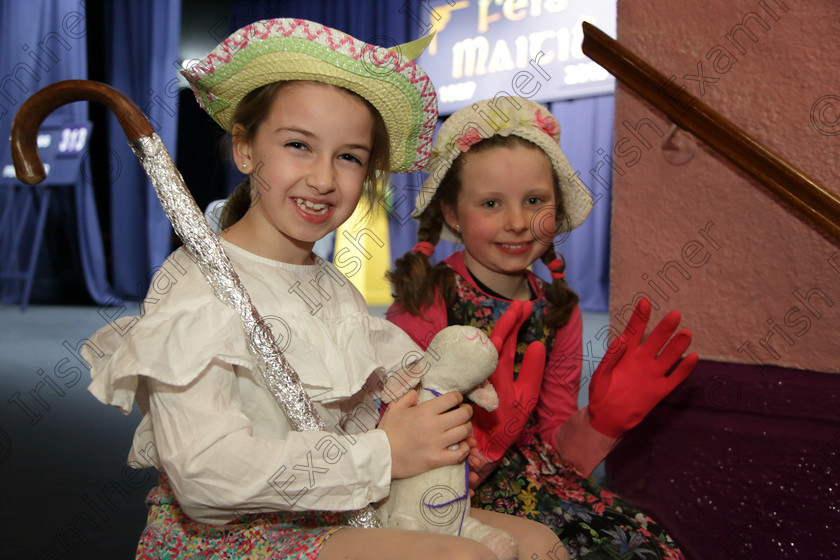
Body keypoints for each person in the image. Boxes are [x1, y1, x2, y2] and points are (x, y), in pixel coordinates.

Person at [83, 19, 564, 560]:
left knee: (539, 543)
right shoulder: (195, 288)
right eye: (298, 145)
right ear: (245, 149)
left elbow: (363, 404)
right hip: (230, 534)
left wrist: (426, 414)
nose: (323, 179)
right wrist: (384, 453)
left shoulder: (331, 287)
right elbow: (204, 479)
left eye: (350, 156)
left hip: (336, 505)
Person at [386, 96, 699, 559]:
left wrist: (601, 421)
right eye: (491, 203)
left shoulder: (558, 308)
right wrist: (481, 451)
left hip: (542, 477)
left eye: (534, 201)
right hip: (450, 488)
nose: (517, 222)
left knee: (644, 545)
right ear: (452, 213)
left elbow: (559, 445)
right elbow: (392, 427)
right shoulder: (428, 296)